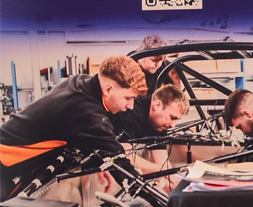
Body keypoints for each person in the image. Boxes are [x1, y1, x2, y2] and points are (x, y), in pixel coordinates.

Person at [1, 56, 147, 199]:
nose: (130, 106)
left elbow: (79, 134)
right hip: (5, 159)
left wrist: (102, 161)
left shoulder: (81, 82)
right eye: (128, 98)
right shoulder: (87, 112)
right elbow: (121, 164)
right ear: (108, 89)